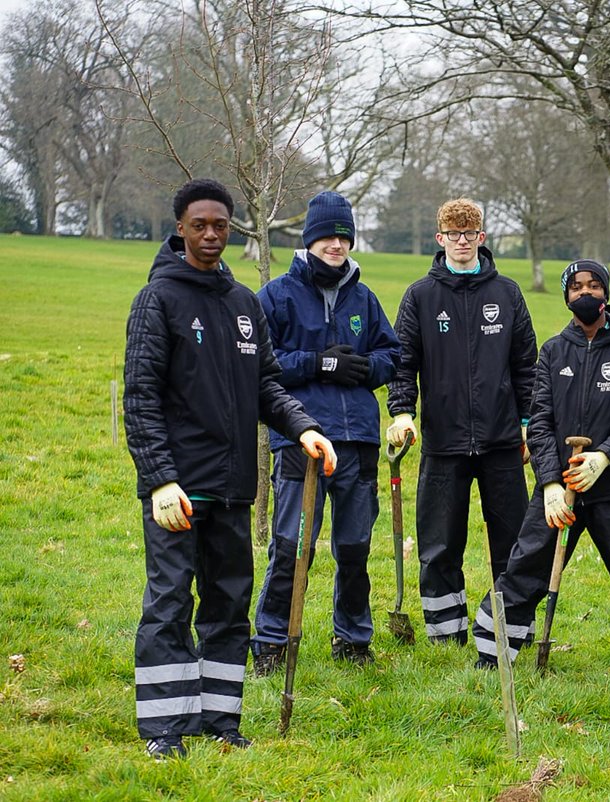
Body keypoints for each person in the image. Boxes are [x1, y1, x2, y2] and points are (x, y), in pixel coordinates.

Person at [124, 179, 337, 760]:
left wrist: (304, 426)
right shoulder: (157, 301)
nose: (212, 235)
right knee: (170, 601)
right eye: (200, 225)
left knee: (228, 601)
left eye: (221, 225)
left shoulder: (245, 303)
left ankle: (220, 721)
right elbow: (140, 396)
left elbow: (267, 383)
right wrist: (158, 480)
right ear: (181, 229)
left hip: (233, 485)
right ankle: (165, 731)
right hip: (178, 488)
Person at [472, 260, 610, 679]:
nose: (585, 293)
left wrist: (604, 456)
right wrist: (550, 483)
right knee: (523, 569)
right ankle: (492, 654)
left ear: (606, 293)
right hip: (560, 488)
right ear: (566, 295)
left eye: (593, 286)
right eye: (576, 287)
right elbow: (540, 420)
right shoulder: (554, 350)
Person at [250, 191, 402, 676]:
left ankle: (353, 639)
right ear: (309, 239)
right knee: (294, 545)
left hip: (358, 438)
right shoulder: (276, 295)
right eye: (327, 236)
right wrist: (318, 363)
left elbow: (392, 356)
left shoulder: (364, 297)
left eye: (343, 236)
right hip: (301, 439)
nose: (335, 245)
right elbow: (259, 363)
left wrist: (363, 369)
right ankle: (273, 640)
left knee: (355, 546)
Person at [386, 197, 537, 645]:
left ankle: (510, 628)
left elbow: (527, 366)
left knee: (513, 543)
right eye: (453, 234)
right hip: (443, 441)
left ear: (481, 238)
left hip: (502, 441)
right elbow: (403, 362)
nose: (462, 242)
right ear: (440, 239)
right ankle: (444, 631)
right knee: (439, 544)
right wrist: (401, 412)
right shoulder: (420, 296)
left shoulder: (507, 294)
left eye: (470, 234)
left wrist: (530, 423)